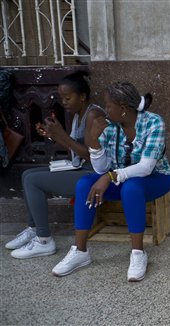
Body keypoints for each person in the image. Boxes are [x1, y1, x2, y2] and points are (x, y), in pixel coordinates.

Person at [51, 81, 170, 282]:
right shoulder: (109, 127)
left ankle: (138, 254)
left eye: (108, 106)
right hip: (120, 178)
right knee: (84, 184)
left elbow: (146, 167)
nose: (104, 111)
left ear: (123, 108)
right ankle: (80, 252)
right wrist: (94, 141)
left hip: (156, 178)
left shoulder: (154, 122)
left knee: (132, 188)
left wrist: (110, 177)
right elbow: (100, 168)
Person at [5, 71, 105, 258]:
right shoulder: (78, 115)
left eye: (68, 97)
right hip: (82, 168)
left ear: (82, 97)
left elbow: (94, 157)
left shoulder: (93, 115)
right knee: (27, 175)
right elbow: (75, 149)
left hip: (96, 174)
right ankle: (34, 229)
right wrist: (53, 135)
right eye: (61, 98)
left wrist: (62, 136)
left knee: (33, 181)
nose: (64, 102)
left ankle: (44, 240)